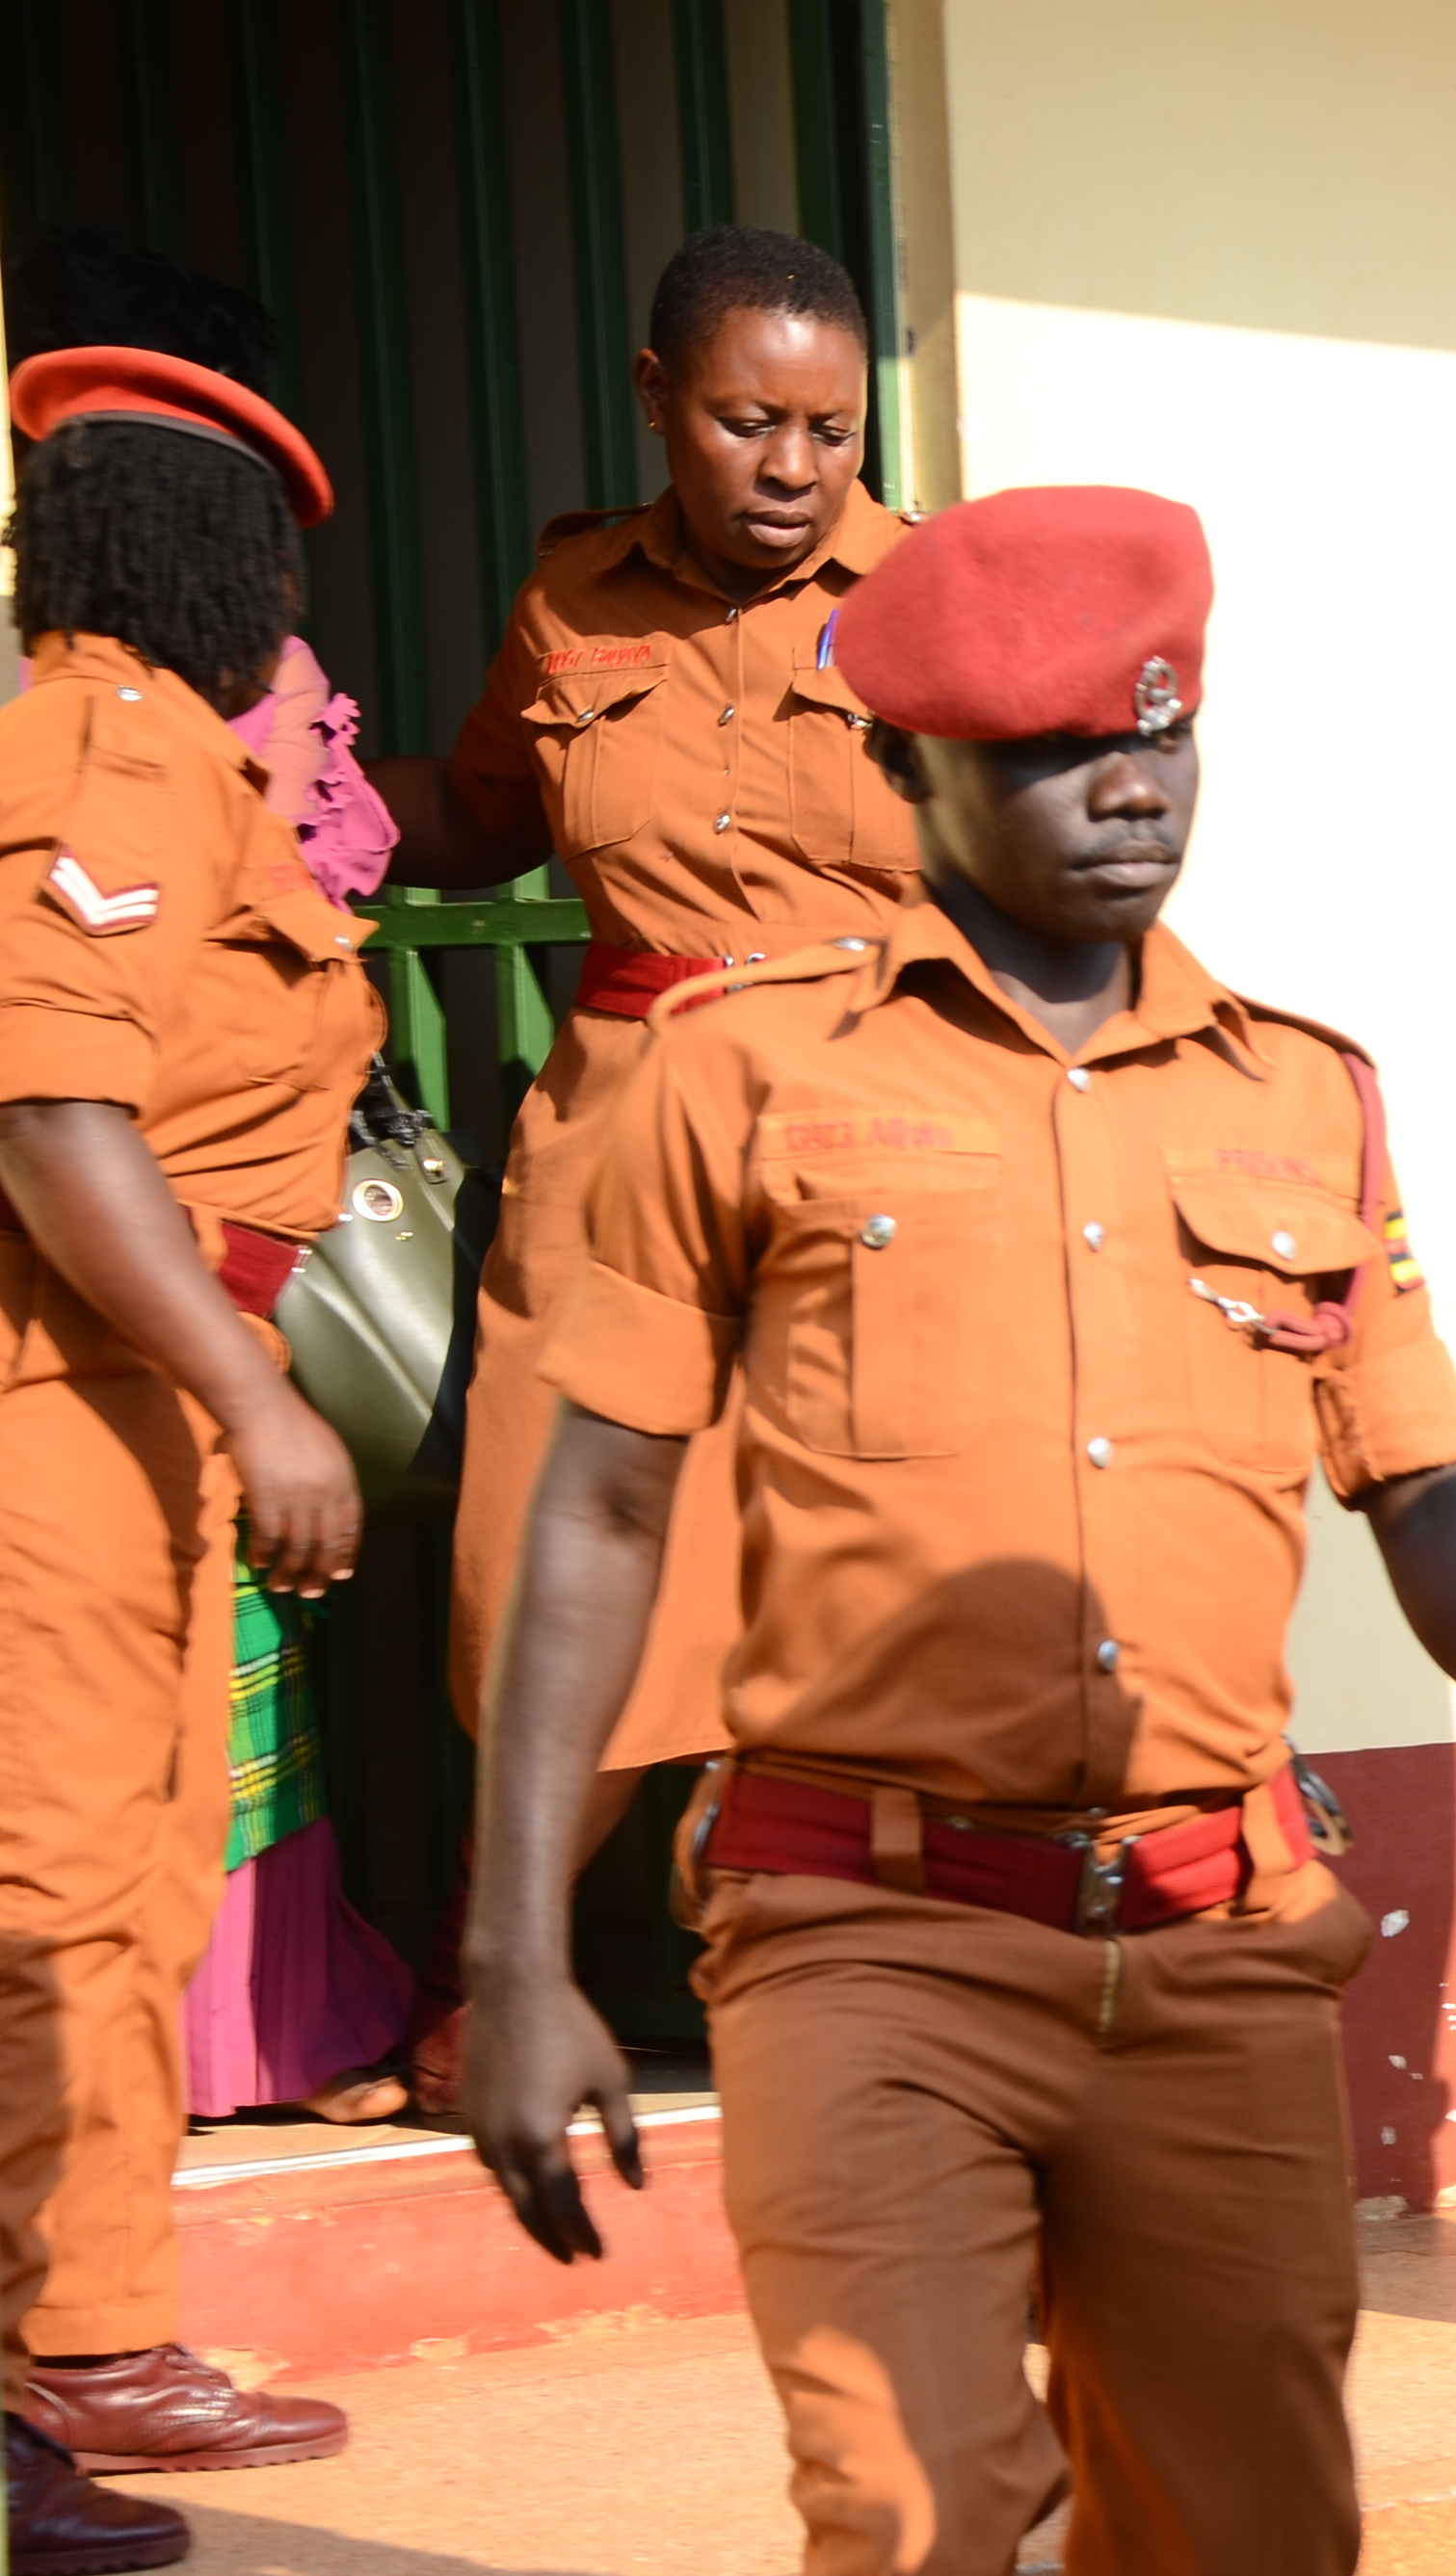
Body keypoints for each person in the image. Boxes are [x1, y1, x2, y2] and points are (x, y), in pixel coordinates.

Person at [454, 485, 1456, 2576]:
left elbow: (1422, 1477)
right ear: (910, 768)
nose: (1129, 783)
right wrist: (516, 1947)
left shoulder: (1307, 1100)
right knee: (903, 2545)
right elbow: (606, 1502)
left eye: (1160, 731)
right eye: (1052, 750)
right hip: (866, 1928)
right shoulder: (745, 1067)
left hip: (1217, 1943)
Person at [373, 223, 913, 2100]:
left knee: (859, 1556)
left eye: (830, 430)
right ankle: (499, 1979)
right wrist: (273, 789)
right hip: (620, 1129)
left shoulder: (936, 601)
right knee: (537, 1552)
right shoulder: (570, 609)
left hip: (874, 1139)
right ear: (655, 405)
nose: (790, 467)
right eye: (747, 421)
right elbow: (471, 822)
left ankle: (834, 1989)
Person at [1, 347, 384, 2576]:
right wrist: (253, 1396)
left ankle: (88, 2330)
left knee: (130, 1862)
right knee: (54, 1876)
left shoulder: (158, 757)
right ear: (209, 561)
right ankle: (59, 2341)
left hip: (143, 1372)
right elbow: (56, 1113)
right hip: (73, 1371)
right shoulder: (104, 741)